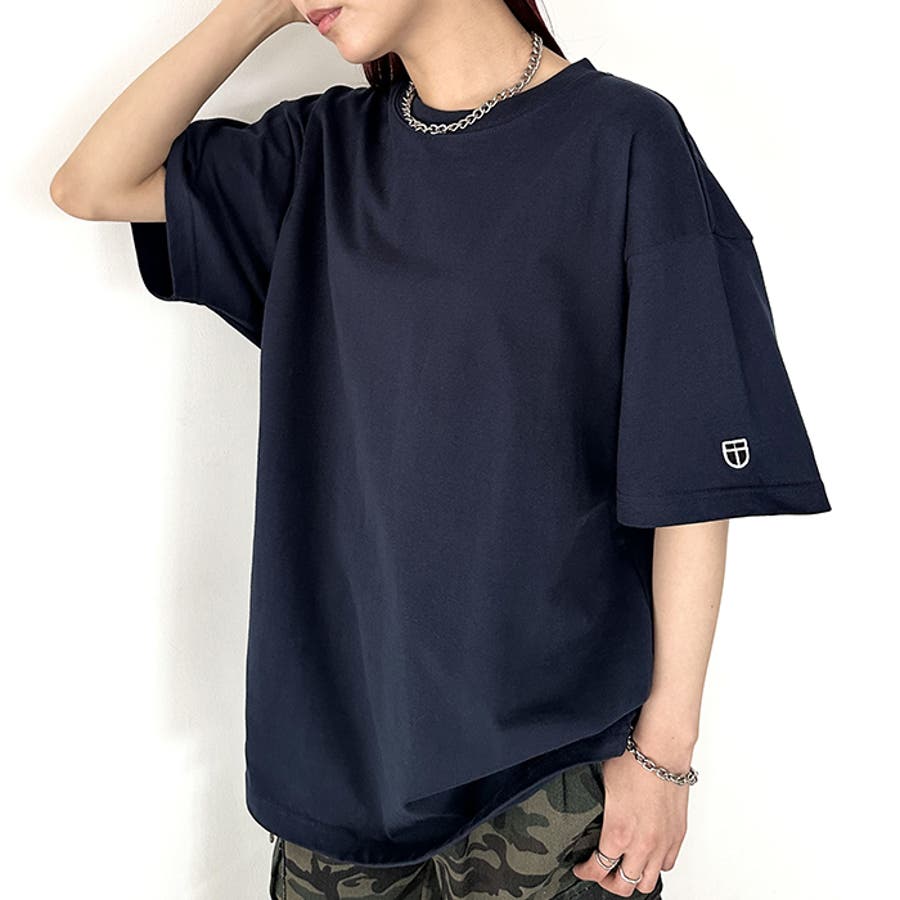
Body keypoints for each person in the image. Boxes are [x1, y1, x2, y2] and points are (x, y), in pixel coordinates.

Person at [49, 1, 832, 897]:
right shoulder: (318, 155)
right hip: (340, 763)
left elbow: (688, 477)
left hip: (551, 769)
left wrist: (666, 754)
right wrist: (254, 13)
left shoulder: (623, 140)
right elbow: (90, 185)